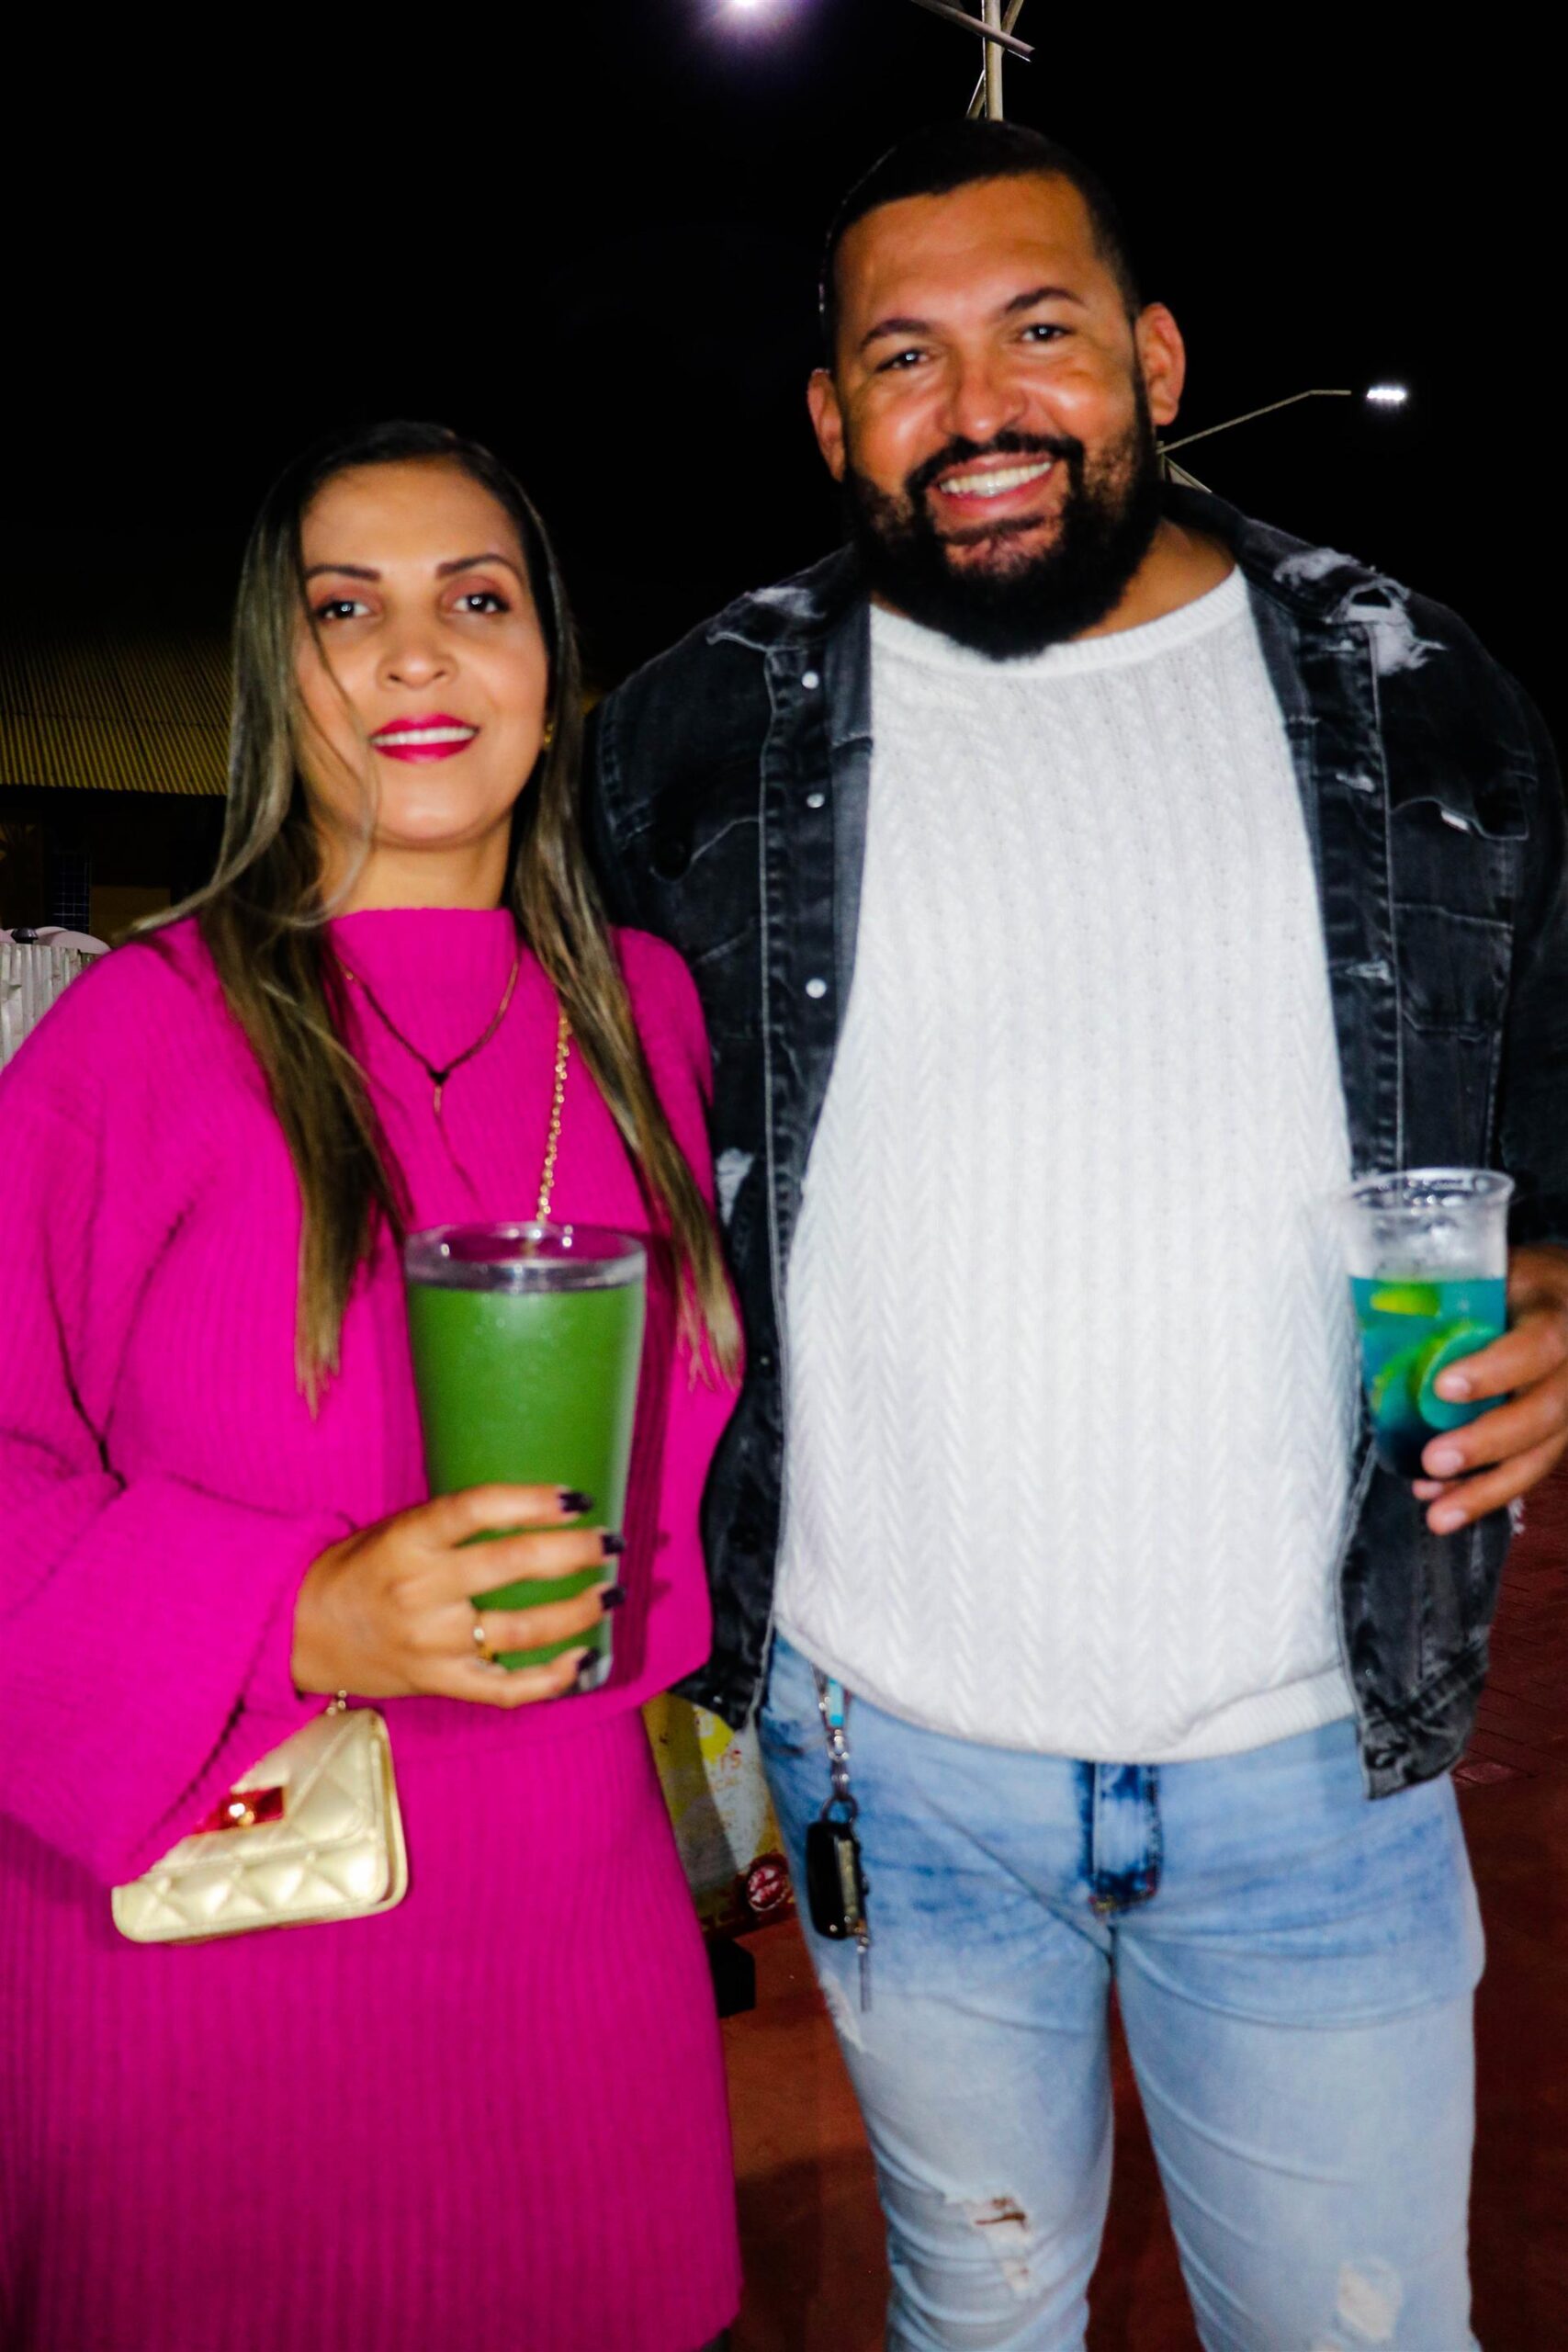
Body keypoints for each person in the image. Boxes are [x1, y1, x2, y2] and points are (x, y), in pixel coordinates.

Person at [587, 122, 1568, 2350]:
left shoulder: (1411, 684)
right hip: (884, 1752)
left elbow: (1548, 1081)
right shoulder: (693, 736)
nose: (978, 407)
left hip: (1313, 1754)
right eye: (902, 358)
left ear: (1152, 359)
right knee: (975, 2308)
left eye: (1036, 331)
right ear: (829, 415)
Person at [0, 420, 741, 2352]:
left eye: (475, 600)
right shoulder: (136, 1031)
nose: (416, 651)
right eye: (347, 610)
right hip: (222, 1936)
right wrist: (298, 1608)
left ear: (549, 670)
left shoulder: (643, 1013)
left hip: (571, 1928)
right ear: (282, 677)